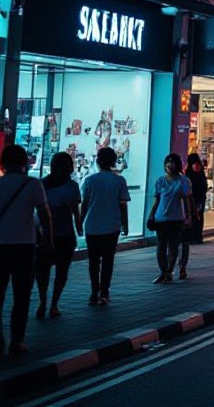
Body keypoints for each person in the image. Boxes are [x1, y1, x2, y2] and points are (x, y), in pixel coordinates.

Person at [0, 145, 52, 356]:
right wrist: (48, 239)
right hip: (24, 246)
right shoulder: (33, 185)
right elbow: (44, 214)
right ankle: (17, 340)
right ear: (25, 163)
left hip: (0, 246)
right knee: (22, 295)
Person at [36, 152, 81, 319]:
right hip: (64, 232)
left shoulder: (42, 184)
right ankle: (54, 304)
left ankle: (42, 301)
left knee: (42, 270)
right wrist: (79, 227)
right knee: (62, 271)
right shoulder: (71, 187)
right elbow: (75, 210)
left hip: (44, 233)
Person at [81, 147, 128, 305]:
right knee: (108, 260)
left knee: (93, 261)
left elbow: (85, 204)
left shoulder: (90, 180)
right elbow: (123, 205)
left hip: (92, 225)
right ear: (114, 162)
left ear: (98, 161)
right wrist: (125, 224)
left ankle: (94, 291)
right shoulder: (119, 181)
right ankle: (104, 291)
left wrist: (80, 223)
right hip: (112, 225)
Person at [150, 154, 192, 284]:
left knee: (173, 246)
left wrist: (188, 216)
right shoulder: (160, 181)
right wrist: (151, 215)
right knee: (161, 246)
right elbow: (156, 200)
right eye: (167, 165)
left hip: (176, 218)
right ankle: (163, 271)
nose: (169, 167)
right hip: (160, 218)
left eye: (171, 165)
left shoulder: (183, 181)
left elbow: (186, 200)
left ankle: (168, 271)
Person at [185, 153, 208, 244]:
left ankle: (196, 236)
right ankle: (194, 236)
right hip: (193, 199)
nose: (197, 166)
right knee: (194, 217)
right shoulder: (190, 175)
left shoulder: (189, 174)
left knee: (197, 217)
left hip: (198, 199)